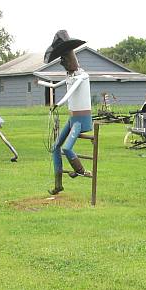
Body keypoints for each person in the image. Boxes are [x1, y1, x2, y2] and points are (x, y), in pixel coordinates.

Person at [38, 30, 93, 195]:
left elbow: (71, 92)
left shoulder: (82, 76)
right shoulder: (70, 77)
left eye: (66, 61)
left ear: (73, 60)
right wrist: (44, 84)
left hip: (81, 120)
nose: (66, 65)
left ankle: (82, 170)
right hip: (72, 118)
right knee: (55, 147)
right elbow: (57, 86)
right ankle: (58, 184)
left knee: (67, 148)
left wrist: (58, 104)